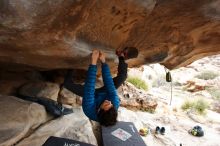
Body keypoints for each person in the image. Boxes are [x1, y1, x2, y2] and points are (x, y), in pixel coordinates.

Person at [63, 47, 138, 126]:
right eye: (111, 105)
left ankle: (72, 66)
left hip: (92, 95)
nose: (109, 102)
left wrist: (93, 62)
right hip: (105, 92)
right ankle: (122, 56)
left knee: (67, 84)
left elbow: (89, 88)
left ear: (100, 110)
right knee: (122, 77)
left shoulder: (89, 110)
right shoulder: (114, 103)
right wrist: (103, 62)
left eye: (106, 105)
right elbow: (109, 83)